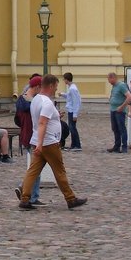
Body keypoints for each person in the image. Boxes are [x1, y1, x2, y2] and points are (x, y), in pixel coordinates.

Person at [17, 75, 87, 210]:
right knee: (59, 171)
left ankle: (25, 199)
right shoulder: (47, 103)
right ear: (50, 86)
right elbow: (42, 122)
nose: (56, 89)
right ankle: (70, 198)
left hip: (39, 140)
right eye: (55, 86)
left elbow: (42, 120)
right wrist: (40, 144)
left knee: (33, 171)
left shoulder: (37, 99)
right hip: (48, 142)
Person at [106, 72, 131, 153]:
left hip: (119, 111)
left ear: (113, 78)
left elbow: (129, 97)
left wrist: (122, 107)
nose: (108, 81)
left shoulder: (121, 85)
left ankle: (124, 147)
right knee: (115, 129)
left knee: (122, 129)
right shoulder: (114, 86)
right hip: (113, 110)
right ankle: (116, 146)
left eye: (109, 79)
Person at [61, 73, 82, 151]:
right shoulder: (71, 87)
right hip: (71, 110)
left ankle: (77, 145)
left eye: (64, 79)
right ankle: (74, 145)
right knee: (72, 128)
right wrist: (63, 94)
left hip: (72, 111)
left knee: (73, 128)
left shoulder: (72, 89)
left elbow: (76, 101)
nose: (63, 81)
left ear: (66, 79)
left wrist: (75, 114)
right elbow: (69, 96)